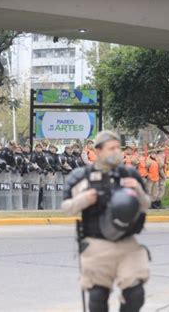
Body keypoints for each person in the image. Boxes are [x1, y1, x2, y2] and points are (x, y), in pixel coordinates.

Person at [62, 131, 151, 312]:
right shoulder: (82, 176)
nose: (117, 151)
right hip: (97, 244)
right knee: (98, 297)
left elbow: (146, 205)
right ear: (99, 150)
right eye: (112, 148)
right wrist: (84, 199)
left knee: (135, 294)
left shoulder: (129, 174)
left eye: (118, 148)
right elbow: (67, 208)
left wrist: (138, 191)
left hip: (127, 244)